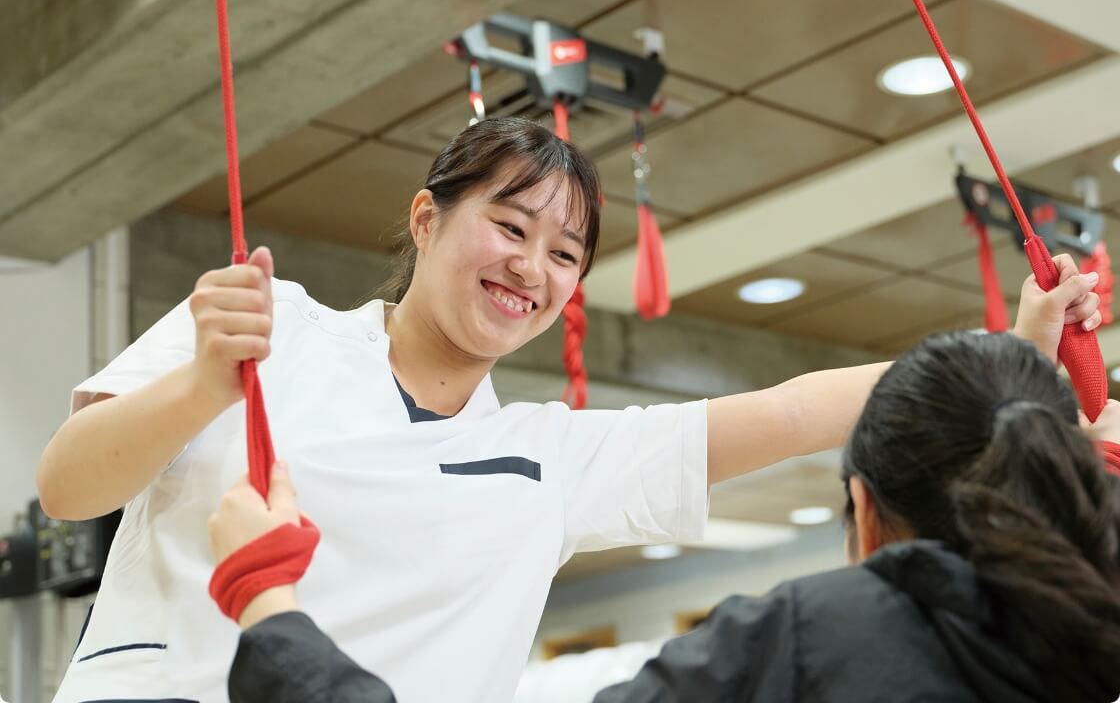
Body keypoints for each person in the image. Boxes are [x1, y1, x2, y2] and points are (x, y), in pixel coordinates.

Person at [38, 117, 1103, 702]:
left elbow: (785, 413)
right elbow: (68, 485)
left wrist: (1009, 354)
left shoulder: (548, 455)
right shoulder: (268, 325)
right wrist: (199, 383)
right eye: (508, 227)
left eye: (563, 254)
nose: (531, 270)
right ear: (425, 217)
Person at [213, 330, 1120, 703]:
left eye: (566, 248)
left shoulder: (815, 640)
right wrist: (1021, 376)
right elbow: (790, 411)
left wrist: (268, 603)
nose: (533, 267)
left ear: (865, 512)